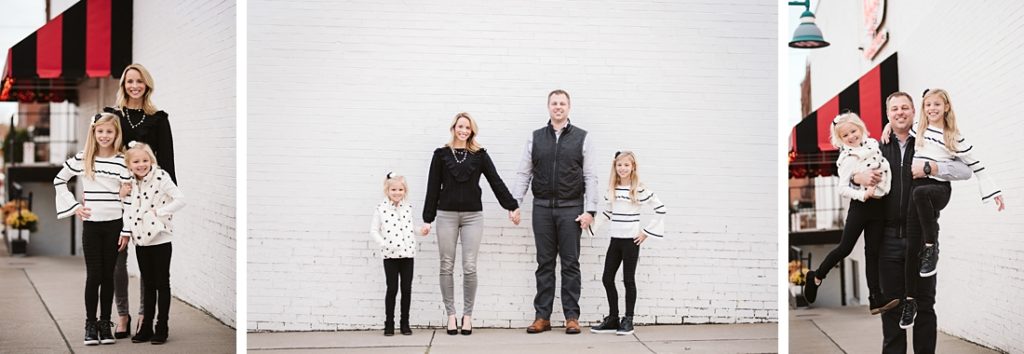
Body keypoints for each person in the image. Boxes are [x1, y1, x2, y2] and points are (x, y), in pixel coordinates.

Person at [867, 92, 972, 353]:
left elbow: (964, 169)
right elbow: (847, 171)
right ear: (887, 114)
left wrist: (932, 169)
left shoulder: (930, 141)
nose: (900, 112)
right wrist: (858, 176)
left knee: (924, 305)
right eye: (894, 109)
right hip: (888, 241)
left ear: (915, 112)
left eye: (905, 108)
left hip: (923, 240)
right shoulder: (877, 148)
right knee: (892, 310)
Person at [899, 88, 1005, 329]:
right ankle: (910, 301)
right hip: (917, 194)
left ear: (946, 107)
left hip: (938, 190)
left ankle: (931, 246)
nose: (932, 109)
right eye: (928, 105)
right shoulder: (919, 129)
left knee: (920, 192)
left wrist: (994, 192)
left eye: (937, 104)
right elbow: (898, 130)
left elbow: (976, 166)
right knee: (910, 250)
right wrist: (886, 128)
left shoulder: (953, 136)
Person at [421, 112, 519, 336]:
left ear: (472, 131)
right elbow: (432, 188)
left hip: (473, 216)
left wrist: (511, 206)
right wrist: (428, 219)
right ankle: (451, 316)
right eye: (460, 126)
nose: (463, 130)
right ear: (454, 128)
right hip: (446, 215)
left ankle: (467, 316)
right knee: (446, 264)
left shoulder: (480, 155)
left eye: (468, 127)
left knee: (470, 266)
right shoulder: (441, 155)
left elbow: (496, 181)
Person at [511, 89, 599, 335]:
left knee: (570, 264)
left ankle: (572, 316)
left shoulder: (583, 137)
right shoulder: (536, 137)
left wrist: (591, 209)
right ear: (548, 107)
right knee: (544, 264)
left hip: (571, 209)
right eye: (554, 103)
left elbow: (591, 176)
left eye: (562, 103)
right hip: (541, 209)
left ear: (569, 107)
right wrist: (515, 202)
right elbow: (524, 172)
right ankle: (542, 317)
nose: (558, 107)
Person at [105, 63, 177, 338]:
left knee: (149, 262)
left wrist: (166, 205)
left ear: (147, 85)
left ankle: (146, 318)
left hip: (148, 201)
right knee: (117, 259)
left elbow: (167, 162)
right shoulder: (112, 116)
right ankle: (122, 315)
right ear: (123, 86)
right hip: (119, 196)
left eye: (139, 81)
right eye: (129, 81)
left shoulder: (158, 119)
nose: (134, 86)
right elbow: (103, 150)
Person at [802, 113, 896, 315]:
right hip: (861, 207)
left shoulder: (872, 144)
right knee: (845, 248)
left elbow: (883, 154)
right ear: (840, 139)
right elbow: (842, 188)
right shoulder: (847, 159)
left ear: (861, 128)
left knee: (873, 253)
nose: (851, 136)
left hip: (879, 206)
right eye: (845, 135)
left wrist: (888, 125)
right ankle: (816, 276)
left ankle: (875, 299)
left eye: (853, 131)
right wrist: (862, 194)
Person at [54, 113, 131, 345]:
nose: (104, 135)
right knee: (94, 275)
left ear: (116, 134)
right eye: (100, 131)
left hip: (115, 225)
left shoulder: (122, 161)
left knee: (109, 276)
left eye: (109, 131)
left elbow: (129, 198)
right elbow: (59, 180)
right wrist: (75, 207)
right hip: (92, 226)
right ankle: (90, 324)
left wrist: (126, 230)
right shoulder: (83, 158)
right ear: (94, 133)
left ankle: (105, 324)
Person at [588, 151, 666, 335]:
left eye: (626, 165)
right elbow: (607, 213)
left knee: (628, 280)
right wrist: (589, 225)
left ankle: (628, 320)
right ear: (615, 167)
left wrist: (646, 233)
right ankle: (613, 318)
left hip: (631, 242)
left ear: (633, 167)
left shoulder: (639, 189)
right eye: (619, 165)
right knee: (607, 278)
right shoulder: (612, 189)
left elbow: (661, 209)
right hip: (615, 240)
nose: (622, 168)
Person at [120, 142, 185, 344]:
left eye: (145, 160)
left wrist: (159, 212)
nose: (141, 165)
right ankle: (146, 326)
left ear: (151, 161)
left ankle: (162, 327)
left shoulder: (161, 177)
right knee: (147, 284)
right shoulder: (131, 182)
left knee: (161, 283)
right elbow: (129, 210)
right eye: (137, 161)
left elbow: (180, 199)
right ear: (130, 165)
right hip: (141, 239)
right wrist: (122, 197)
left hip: (161, 237)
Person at [371, 173, 425, 336]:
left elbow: (409, 227)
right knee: (392, 289)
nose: (397, 192)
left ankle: (405, 323)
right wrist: (384, 243)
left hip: (408, 254)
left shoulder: (407, 207)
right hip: (390, 256)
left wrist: (420, 231)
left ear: (405, 191)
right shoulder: (381, 209)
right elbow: (374, 230)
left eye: (400, 189)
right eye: (393, 189)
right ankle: (389, 323)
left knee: (406, 289)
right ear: (387, 190)